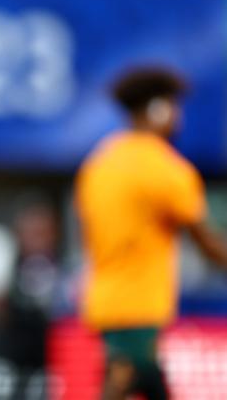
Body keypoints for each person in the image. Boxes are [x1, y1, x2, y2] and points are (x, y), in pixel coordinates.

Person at [75, 66, 227, 400]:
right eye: (176, 107)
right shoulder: (166, 169)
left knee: (140, 383)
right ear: (160, 109)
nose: (180, 117)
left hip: (102, 302)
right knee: (126, 383)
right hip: (139, 308)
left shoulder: (98, 164)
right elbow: (207, 244)